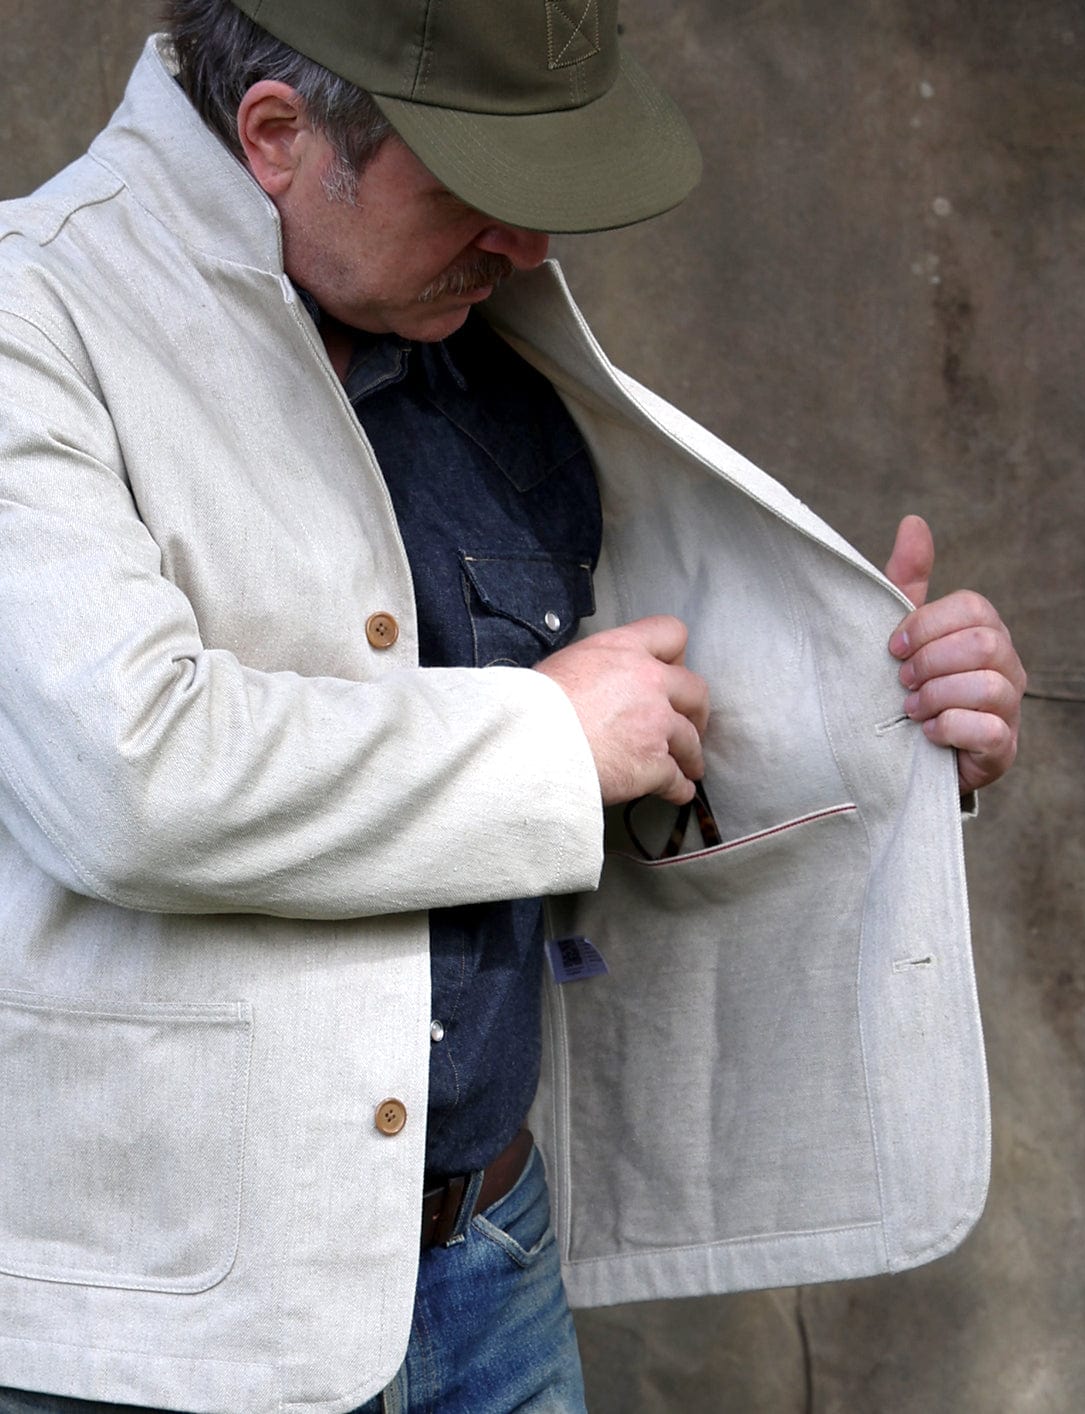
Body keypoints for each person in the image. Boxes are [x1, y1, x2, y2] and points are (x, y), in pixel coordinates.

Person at [0, 1, 1025, 1411]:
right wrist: (546, 738)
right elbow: (128, 774)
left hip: (495, 1268)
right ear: (280, 138)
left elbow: (627, 772)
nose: (533, 244)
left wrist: (896, 718)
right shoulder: (29, 318)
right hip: (170, 1335)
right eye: (483, 185)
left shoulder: (485, 345)